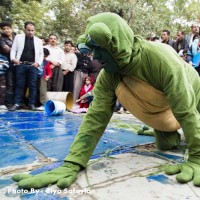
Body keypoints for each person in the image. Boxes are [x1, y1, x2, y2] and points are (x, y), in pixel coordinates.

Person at [12, 12, 200, 189]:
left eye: (100, 48)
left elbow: (186, 110)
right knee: (166, 145)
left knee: (190, 116)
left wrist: (197, 157)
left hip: (194, 92)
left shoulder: (161, 59)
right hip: (162, 106)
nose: (96, 56)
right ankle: (163, 130)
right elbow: (95, 118)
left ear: (118, 43)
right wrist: (73, 163)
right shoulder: (108, 75)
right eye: (92, 49)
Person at [9, 21, 44, 111]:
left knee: (32, 85)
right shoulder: (18, 37)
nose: (30, 32)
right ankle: (17, 103)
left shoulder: (38, 40)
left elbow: (41, 54)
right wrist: (14, 59)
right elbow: (13, 50)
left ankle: (31, 104)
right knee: (19, 84)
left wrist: (38, 63)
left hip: (33, 65)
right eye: (28, 30)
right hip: (21, 64)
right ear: (25, 29)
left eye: (32, 30)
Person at [0, 21, 15, 109]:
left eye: (8, 28)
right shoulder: (2, 40)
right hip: (8, 64)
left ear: (11, 29)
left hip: (19, 64)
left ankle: (18, 102)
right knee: (9, 83)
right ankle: (8, 103)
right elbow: (7, 50)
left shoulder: (17, 37)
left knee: (19, 83)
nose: (6, 30)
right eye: (4, 29)